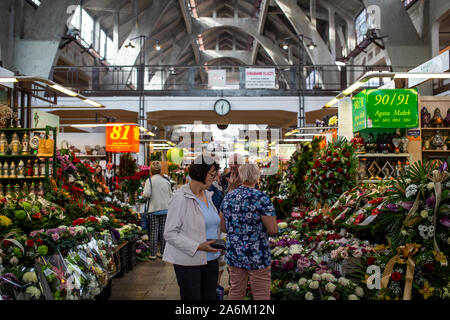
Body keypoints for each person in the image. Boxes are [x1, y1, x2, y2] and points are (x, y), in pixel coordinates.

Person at [163, 155, 222, 300]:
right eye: (211, 174)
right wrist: (198, 246)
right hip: (188, 262)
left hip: (212, 260)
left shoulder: (208, 195)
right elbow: (170, 233)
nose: (214, 179)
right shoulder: (180, 197)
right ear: (201, 172)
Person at [219, 163, 278, 300]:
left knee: (236, 291)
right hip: (258, 255)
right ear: (257, 177)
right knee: (261, 294)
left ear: (241, 177)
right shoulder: (262, 198)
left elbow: (223, 227)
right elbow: (273, 230)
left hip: (235, 253)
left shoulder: (229, 197)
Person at [143, 161, 173, 259]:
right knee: (163, 231)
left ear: (151, 171)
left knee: (154, 231)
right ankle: (163, 252)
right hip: (165, 209)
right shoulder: (166, 180)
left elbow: (146, 194)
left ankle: (153, 253)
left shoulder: (150, 181)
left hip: (154, 209)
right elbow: (171, 195)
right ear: (160, 170)